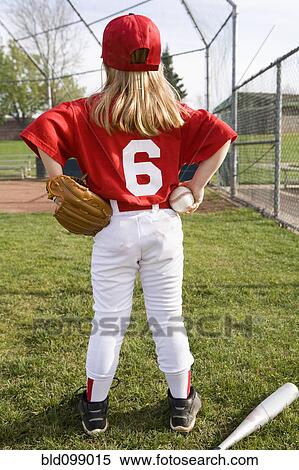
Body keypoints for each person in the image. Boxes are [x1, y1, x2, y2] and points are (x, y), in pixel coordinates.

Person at [20, 13, 237, 436]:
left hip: (113, 227)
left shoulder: (86, 111)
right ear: (155, 63)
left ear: (107, 61)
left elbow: (42, 132)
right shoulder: (175, 112)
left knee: (108, 321)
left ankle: (96, 409)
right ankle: (180, 405)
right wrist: (195, 186)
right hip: (162, 226)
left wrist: (57, 181)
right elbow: (224, 136)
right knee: (167, 319)